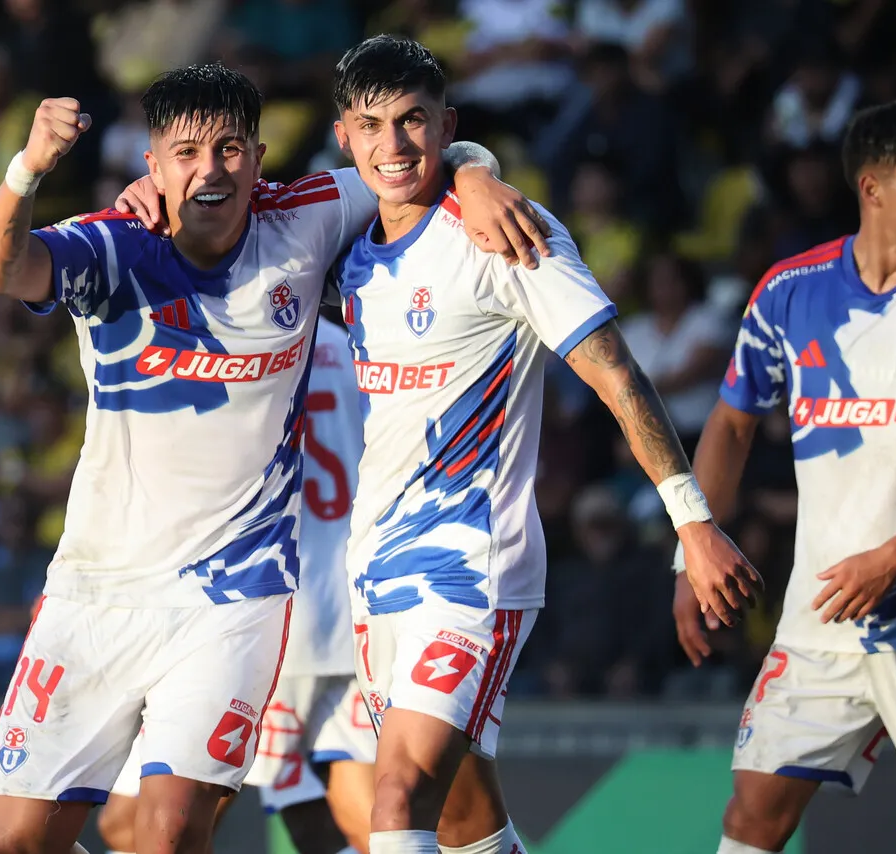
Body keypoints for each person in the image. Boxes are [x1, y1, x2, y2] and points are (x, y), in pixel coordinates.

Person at [0, 62, 547, 854]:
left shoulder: (304, 217)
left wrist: (476, 173)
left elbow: (407, 160)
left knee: (169, 833)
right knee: (17, 840)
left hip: (234, 597)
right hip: (93, 591)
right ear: (154, 164)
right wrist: (28, 168)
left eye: (230, 149)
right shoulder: (112, 249)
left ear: (260, 156)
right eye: (186, 153)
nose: (211, 171)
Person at [324, 35, 757, 854]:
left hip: (470, 565)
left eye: (415, 121)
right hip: (373, 567)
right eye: (372, 125)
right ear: (344, 137)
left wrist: (692, 523)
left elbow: (619, 376)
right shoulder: (344, 240)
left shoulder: (506, 233)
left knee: (397, 796)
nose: (395, 146)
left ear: (445, 123)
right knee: (461, 818)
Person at [671, 101, 896, 854]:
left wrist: (892, 558)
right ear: (873, 188)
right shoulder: (790, 290)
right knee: (752, 815)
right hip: (822, 612)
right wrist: (692, 552)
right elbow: (730, 423)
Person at [97, 314, 377, 854]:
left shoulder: (235, 349)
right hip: (348, 605)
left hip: (267, 609)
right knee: (340, 801)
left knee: (134, 824)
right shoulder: (359, 349)